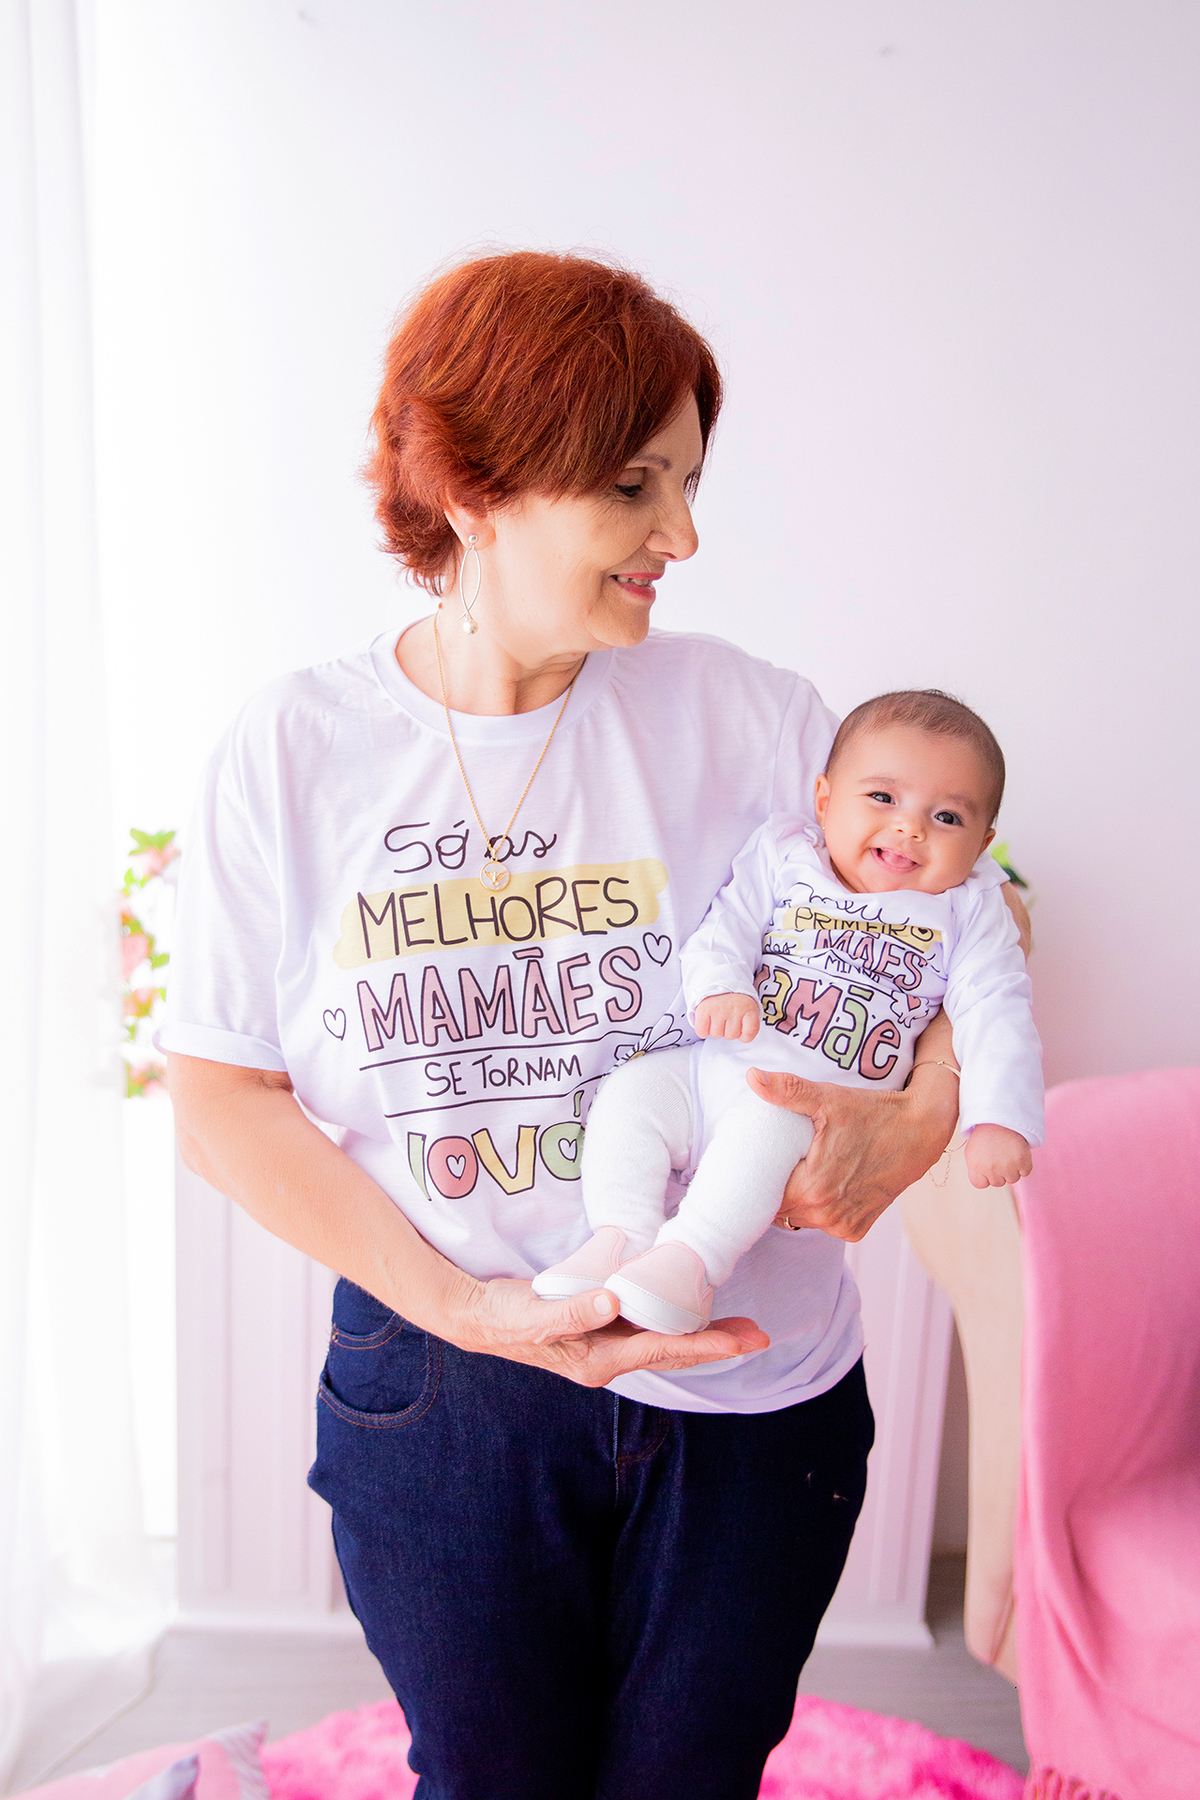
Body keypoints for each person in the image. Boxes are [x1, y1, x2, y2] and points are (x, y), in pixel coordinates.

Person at [163, 250, 1030, 1800]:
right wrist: (470, 1310)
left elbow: (978, 918)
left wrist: (920, 1111)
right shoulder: (296, 751)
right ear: (477, 483)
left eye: (690, 484)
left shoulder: (758, 719)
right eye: (636, 487)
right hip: (449, 1388)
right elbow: (224, 1093)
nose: (683, 536)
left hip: (754, 1396)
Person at [534, 689, 1044, 1335]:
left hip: (812, 1105)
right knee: (633, 1094)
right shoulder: (786, 853)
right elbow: (729, 923)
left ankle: (689, 1260)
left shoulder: (969, 912)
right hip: (710, 1067)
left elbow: (997, 1012)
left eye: (946, 817)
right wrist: (721, 986)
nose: (910, 827)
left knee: (762, 1132)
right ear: (825, 800)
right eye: (882, 799)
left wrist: (999, 1119)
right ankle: (619, 1235)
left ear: (982, 843)